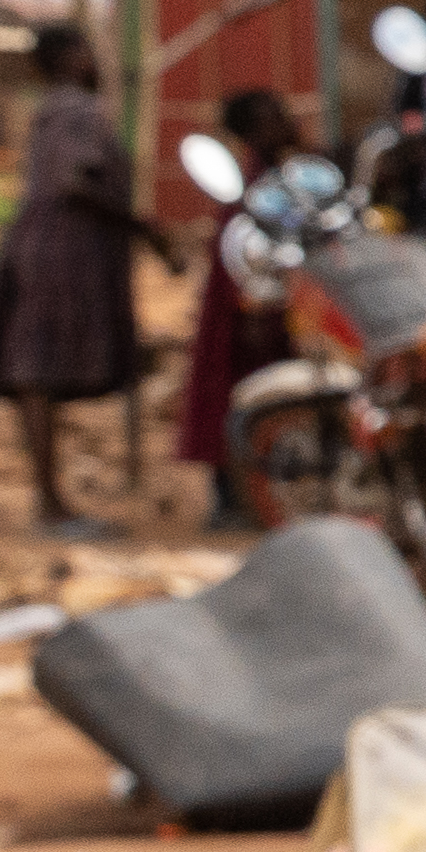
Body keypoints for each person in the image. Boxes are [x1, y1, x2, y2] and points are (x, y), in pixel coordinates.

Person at [0, 25, 145, 538]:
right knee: (39, 371)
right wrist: (142, 228)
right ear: (70, 57)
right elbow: (72, 181)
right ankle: (50, 505)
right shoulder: (77, 111)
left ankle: (50, 499)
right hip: (65, 256)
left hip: (41, 249)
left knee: (35, 371)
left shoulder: (51, 109)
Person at [173, 83, 306, 528]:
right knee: (238, 393)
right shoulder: (252, 183)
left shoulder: (279, 175)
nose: (287, 121)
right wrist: (249, 311)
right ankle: (230, 500)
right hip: (245, 311)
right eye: (275, 114)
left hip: (263, 310)